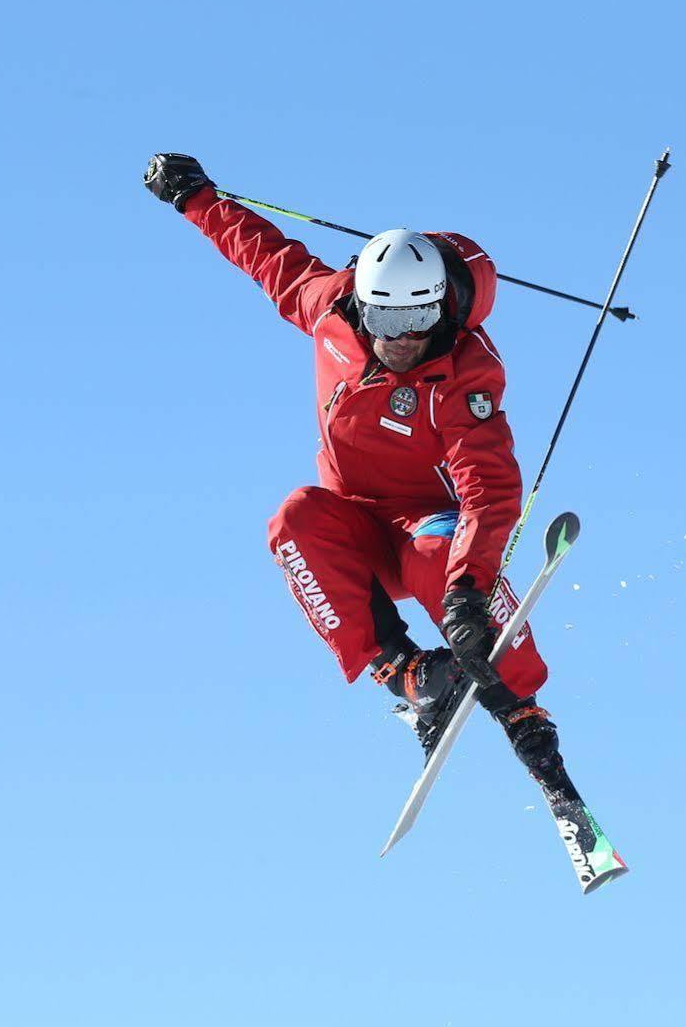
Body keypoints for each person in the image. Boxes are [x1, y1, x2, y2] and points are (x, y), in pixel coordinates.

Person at [140, 154, 584, 798]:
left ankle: (520, 706)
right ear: (362, 305)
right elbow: (265, 254)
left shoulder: (464, 372)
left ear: (441, 311)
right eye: (386, 322)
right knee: (294, 519)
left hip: (421, 519)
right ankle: (406, 676)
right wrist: (196, 199)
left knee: (441, 558)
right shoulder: (328, 308)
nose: (401, 340)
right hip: (354, 525)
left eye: (418, 322)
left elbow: (488, 485)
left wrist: (466, 596)